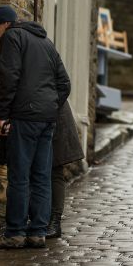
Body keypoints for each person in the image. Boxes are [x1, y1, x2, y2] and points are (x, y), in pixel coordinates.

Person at [0, 5, 71, 249]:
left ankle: (14, 233)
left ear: (4, 24)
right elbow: (64, 83)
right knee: (41, 176)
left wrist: (3, 114)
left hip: (24, 117)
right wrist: (50, 106)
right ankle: (37, 233)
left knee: (19, 176)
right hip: (47, 119)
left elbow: (9, 76)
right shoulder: (46, 42)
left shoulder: (12, 37)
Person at [45, 100, 85, 239]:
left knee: (55, 170)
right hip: (40, 117)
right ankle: (41, 220)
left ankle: (55, 222)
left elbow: (64, 85)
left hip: (56, 117)